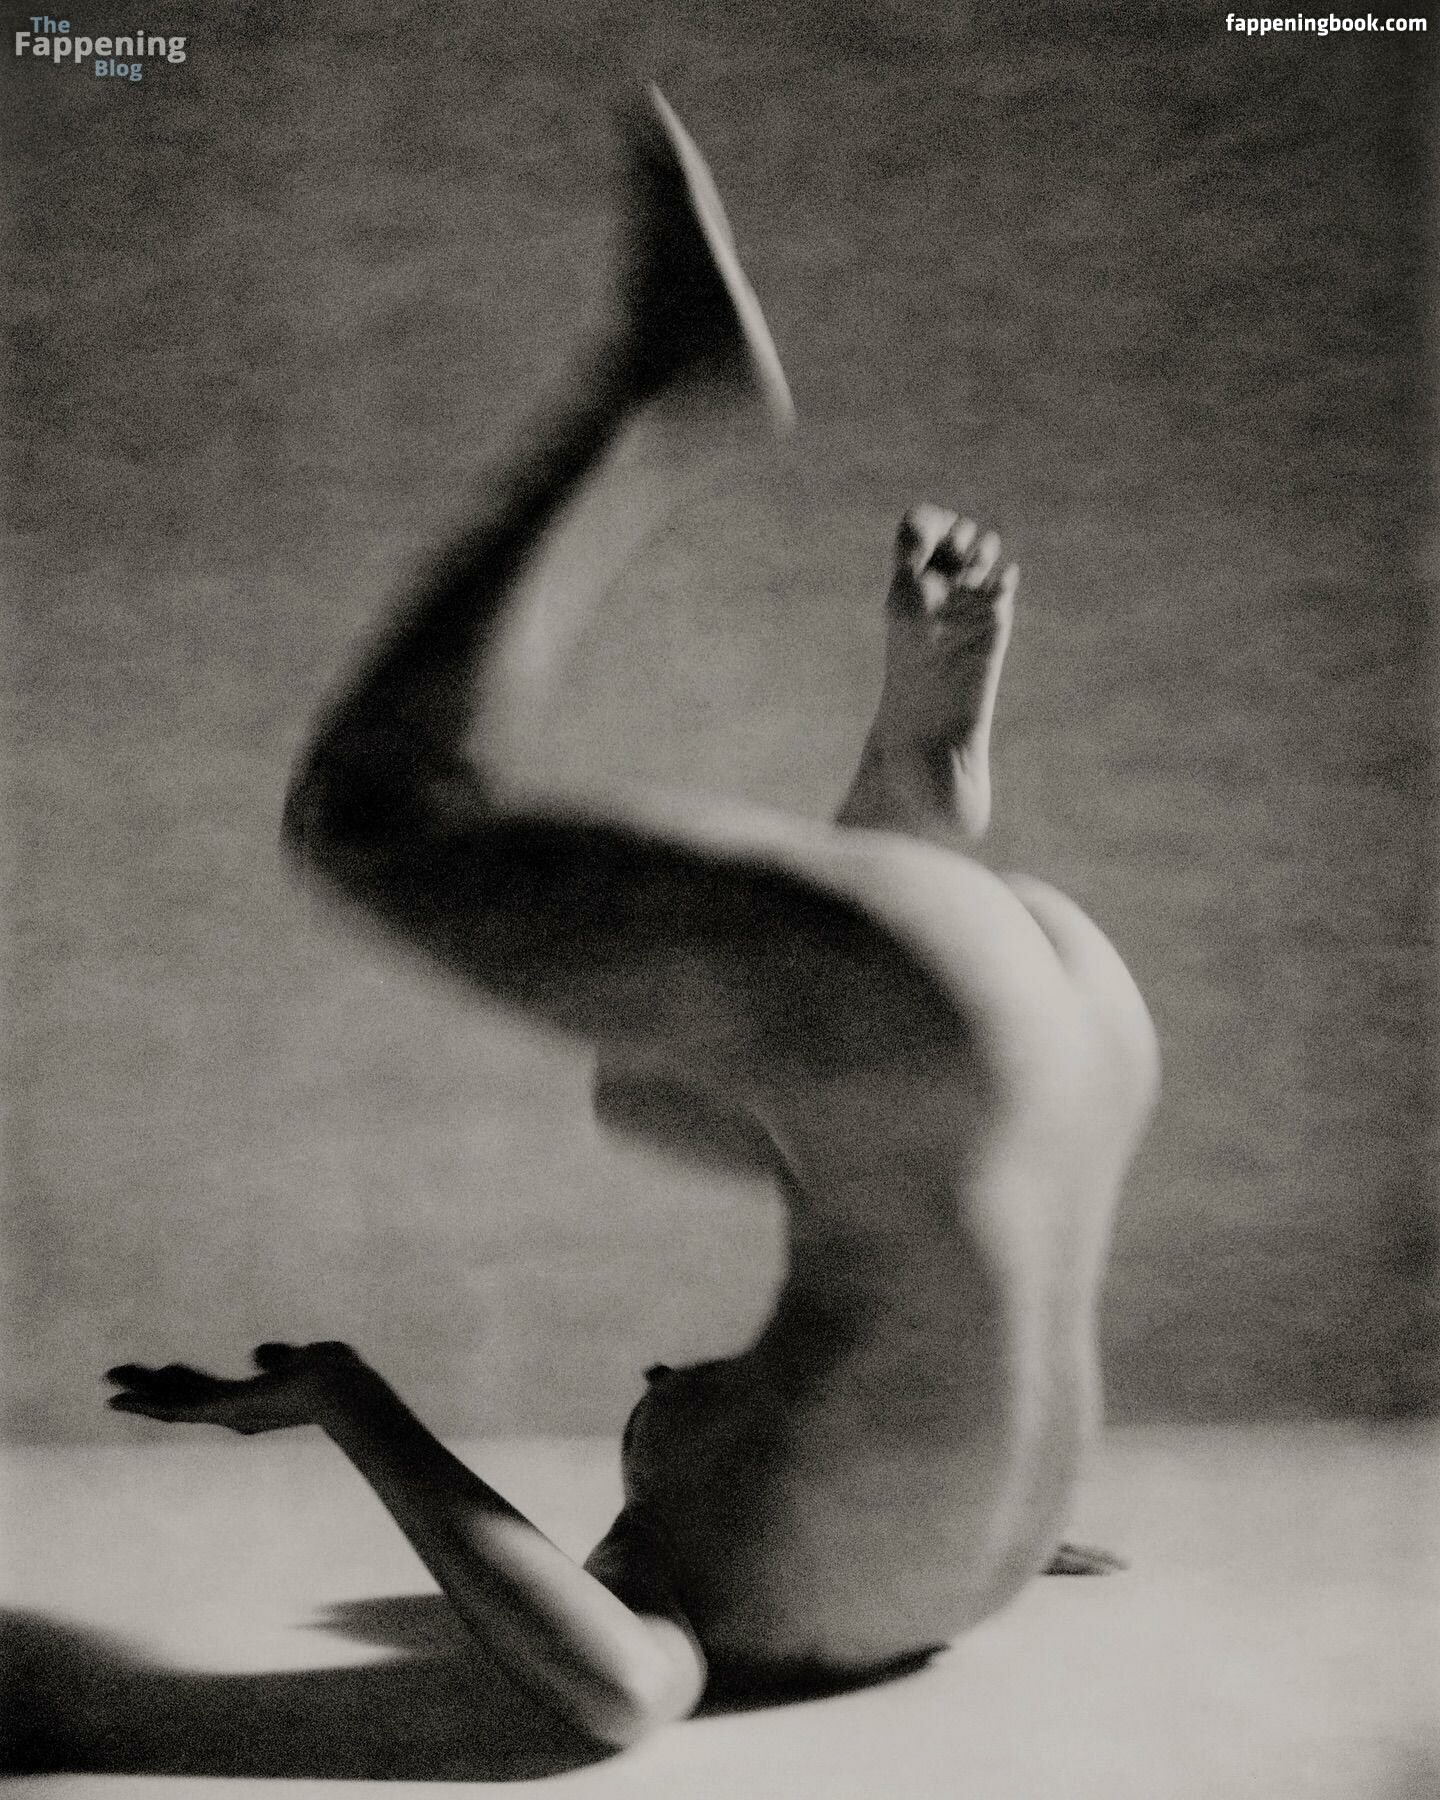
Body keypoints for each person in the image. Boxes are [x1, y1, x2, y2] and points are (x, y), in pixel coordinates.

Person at [106, 88, 1159, 1749]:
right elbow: (610, 1694)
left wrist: (913, 762)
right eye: (648, 1427)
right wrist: (344, 1398)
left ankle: (916, 779)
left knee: (669, 1101)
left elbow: (899, 1072)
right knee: (375, 825)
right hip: (964, 1038)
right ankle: (657, 402)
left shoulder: (960, 1561)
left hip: (1072, 1030)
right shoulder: (708, 1589)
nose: (655, 1384)